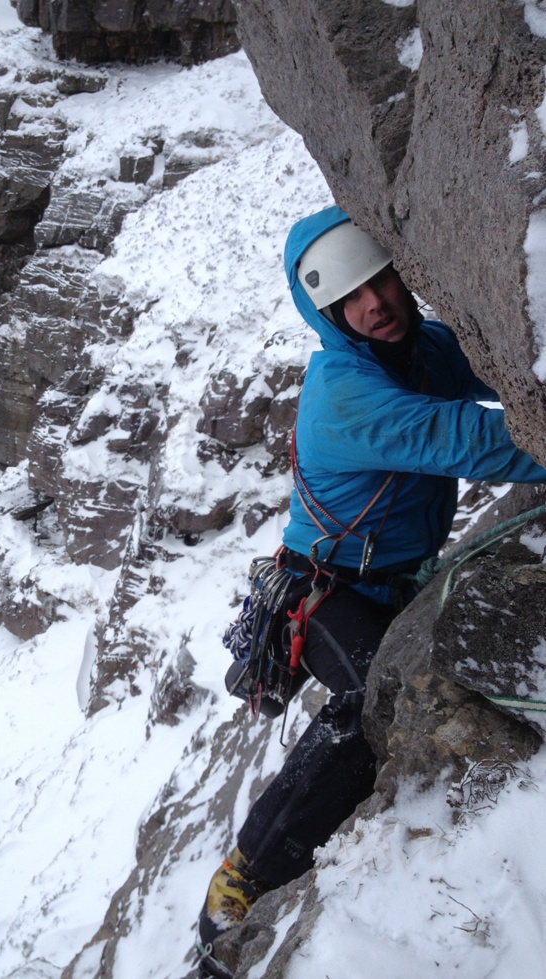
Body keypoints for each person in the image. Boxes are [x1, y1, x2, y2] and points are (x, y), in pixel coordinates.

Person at [197, 204, 546, 951]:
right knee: (369, 702)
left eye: (380, 280)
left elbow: (506, 378)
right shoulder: (345, 395)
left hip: (391, 580)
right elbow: (476, 439)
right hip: (328, 592)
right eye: (350, 298)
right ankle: (247, 873)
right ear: (327, 315)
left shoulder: (424, 348)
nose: (375, 305)